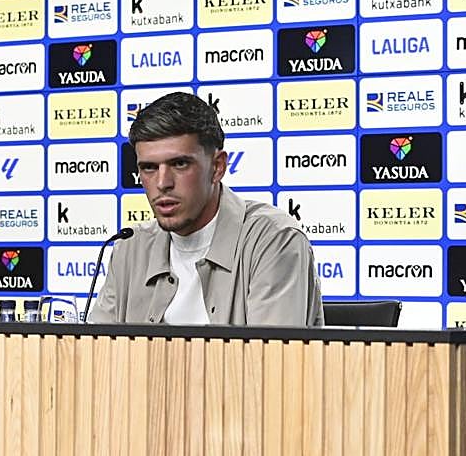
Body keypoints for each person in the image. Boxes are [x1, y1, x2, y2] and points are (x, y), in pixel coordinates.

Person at [88, 92, 323, 327]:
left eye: (179, 164)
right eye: (149, 168)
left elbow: (269, 351)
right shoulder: (130, 248)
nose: (162, 183)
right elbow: (96, 347)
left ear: (217, 167)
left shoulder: (274, 240)